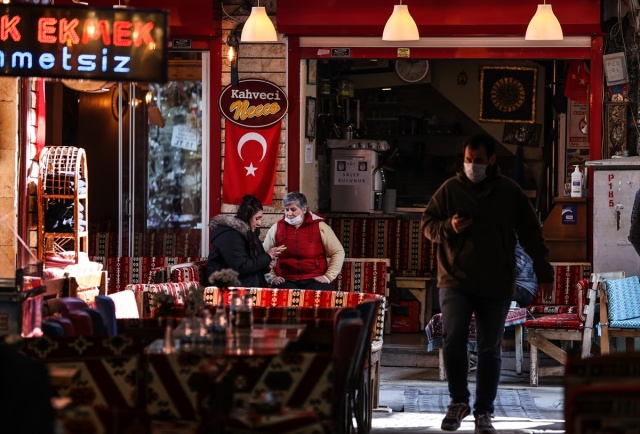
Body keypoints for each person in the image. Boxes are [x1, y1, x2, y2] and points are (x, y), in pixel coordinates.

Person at [420, 133, 554, 434]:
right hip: (454, 279)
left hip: (496, 282)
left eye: (478, 161)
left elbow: (532, 234)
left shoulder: (510, 192)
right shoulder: (449, 190)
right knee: (453, 340)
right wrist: (448, 227)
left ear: (491, 160)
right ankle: (458, 402)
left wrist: (544, 271)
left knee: (489, 348)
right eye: (468, 161)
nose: (472, 166)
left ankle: (484, 412)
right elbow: (428, 225)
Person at [263, 192, 345, 290]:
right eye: (286, 210)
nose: (289, 213)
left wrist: (327, 277)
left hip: (314, 279)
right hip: (286, 279)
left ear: (304, 209)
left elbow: (338, 252)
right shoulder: (277, 227)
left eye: (293, 209)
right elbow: (264, 255)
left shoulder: (320, 226)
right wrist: (271, 277)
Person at [206, 194, 283, 287]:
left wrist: (267, 265)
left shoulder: (250, 234)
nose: (260, 223)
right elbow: (241, 267)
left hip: (244, 285)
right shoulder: (229, 235)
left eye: (260, 218)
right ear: (247, 216)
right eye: (257, 218)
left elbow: (253, 266)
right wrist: (267, 256)